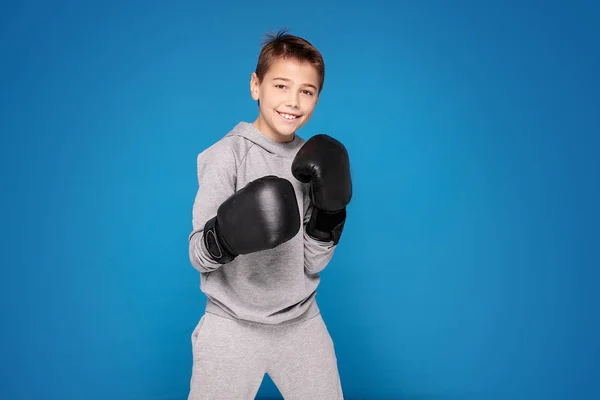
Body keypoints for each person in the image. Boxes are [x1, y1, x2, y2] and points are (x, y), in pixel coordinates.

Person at [187, 28, 352, 400]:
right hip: (231, 326)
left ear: (317, 98)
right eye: (281, 86)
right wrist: (227, 235)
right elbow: (198, 255)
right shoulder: (226, 156)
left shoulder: (314, 160)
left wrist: (329, 217)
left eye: (306, 91)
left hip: (300, 323)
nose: (293, 101)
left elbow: (313, 264)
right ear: (255, 86)